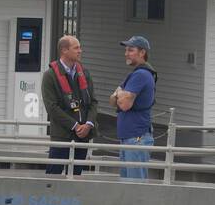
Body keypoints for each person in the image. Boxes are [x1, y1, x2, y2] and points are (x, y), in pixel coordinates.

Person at [40, 35, 97, 175]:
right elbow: (52, 107)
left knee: (76, 175)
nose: (80, 51)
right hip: (62, 135)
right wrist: (75, 125)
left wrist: (88, 124)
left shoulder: (84, 73)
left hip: (83, 136)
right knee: (53, 175)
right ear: (64, 50)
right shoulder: (50, 75)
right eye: (76, 48)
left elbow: (93, 102)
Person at [110, 35, 157, 179]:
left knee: (135, 186)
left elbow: (123, 105)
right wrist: (120, 94)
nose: (126, 54)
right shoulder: (134, 74)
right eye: (126, 50)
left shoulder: (141, 75)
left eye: (130, 50)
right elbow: (112, 100)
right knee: (127, 186)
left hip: (137, 138)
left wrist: (119, 93)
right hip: (128, 137)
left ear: (142, 52)